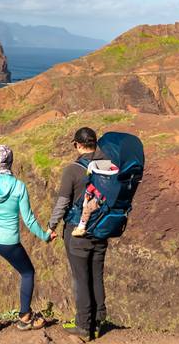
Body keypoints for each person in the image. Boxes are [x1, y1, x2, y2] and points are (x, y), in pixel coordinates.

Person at [0, 144, 56, 333]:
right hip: (8, 241)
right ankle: (24, 318)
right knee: (27, 273)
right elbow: (29, 220)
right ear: (11, 163)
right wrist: (45, 236)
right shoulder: (19, 187)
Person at [48, 127, 109, 341]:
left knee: (81, 278)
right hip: (101, 229)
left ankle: (84, 325)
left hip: (77, 232)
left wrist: (51, 225)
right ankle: (98, 321)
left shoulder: (73, 170)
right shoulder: (109, 166)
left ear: (78, 144)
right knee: (96, 275)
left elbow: (63, 202)